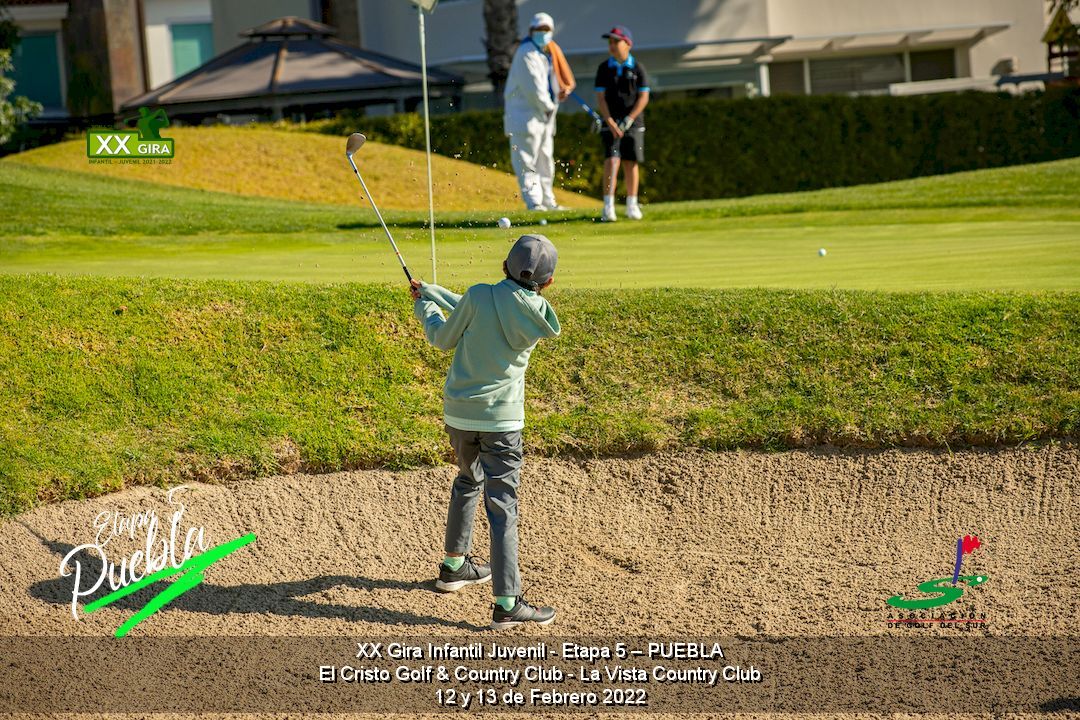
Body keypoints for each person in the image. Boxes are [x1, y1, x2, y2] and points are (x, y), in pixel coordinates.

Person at [410, 234, 561, 629]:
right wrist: (433, 291)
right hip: (503, 424)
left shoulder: (479, 295)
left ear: (504, 266)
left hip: (460, 416)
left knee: (467, 480)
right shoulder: (538, 313)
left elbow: (444, 335)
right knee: (502, 507)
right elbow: (488, 307)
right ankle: (507, 603)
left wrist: (425, 307)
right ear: (548, 282)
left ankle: (453, 566)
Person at [504, 13, 565, 211]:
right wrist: (550, 107)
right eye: (539, 29)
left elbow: (548, 85)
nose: (543, 33)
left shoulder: (544, 54)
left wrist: (557, 95)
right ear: (531, 31)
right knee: (526, 161)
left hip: (543, 117)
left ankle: (548, 200)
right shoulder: (526, 53)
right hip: (524, 117)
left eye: (546, 30)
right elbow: (534, 90)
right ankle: (534, 202)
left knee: (545, 160)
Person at [594, 25, 650, 222]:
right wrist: (609, 121)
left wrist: (630, 119)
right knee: (612, 161)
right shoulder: (604, 68)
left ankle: (632, 205)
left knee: (630, 162)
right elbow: (601, 98)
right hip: (610, 121)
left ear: (628, 43)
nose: (612, 45)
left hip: (633, 122)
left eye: (616, 41)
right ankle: (608, 207)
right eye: (610, 42)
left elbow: (643, 97)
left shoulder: (638, 68)